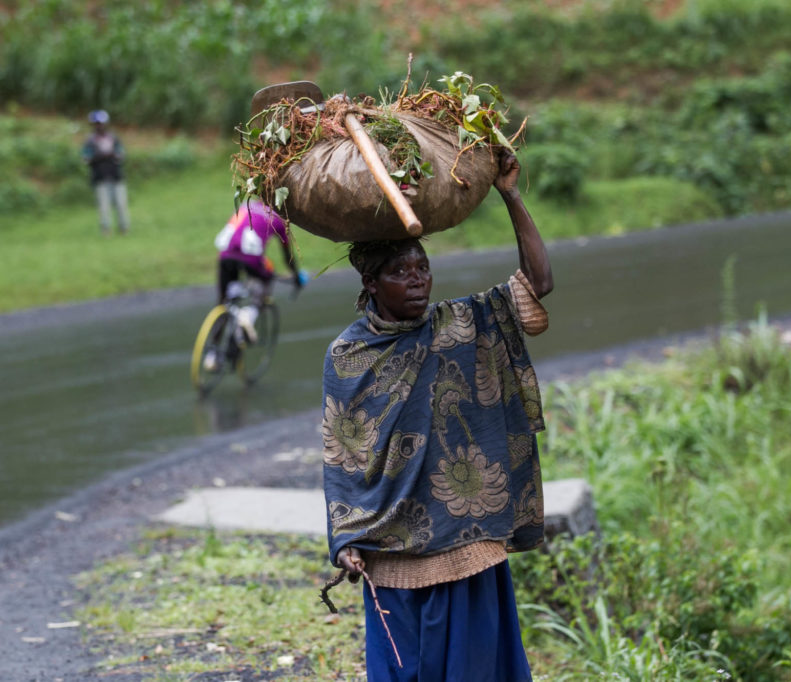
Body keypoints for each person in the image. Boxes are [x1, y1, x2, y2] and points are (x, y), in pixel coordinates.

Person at [322, 151, 553, 681]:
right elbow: (342, 455)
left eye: (422, 267)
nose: (417, 279)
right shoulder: (348, 355)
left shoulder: (462, 324)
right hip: (394, 551)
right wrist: (345, 539)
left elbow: (537, 284)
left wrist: (511, 194)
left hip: (469, 544)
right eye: (400, 272)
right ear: (371, 287)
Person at [211, 196, 307, 347]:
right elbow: (287, 256)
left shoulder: (244, 206)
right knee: (266, 277)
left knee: (223, 301)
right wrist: (295, 276)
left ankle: (213, 352)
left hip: (225, 255)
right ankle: (249, 315)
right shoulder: (278, 218)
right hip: (251, 258)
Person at [81, 109, 130, 235]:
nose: (99, 126)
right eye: (96, 123)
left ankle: (124, 228)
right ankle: (106, 230)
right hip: (100, 177)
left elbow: (121, 155)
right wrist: (99, 156)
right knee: (104, 206)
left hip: (116, 176)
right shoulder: (90, 141)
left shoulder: (113, 138)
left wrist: (112, 154)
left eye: (101, 123)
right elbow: (86, 159)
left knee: (121, 204)